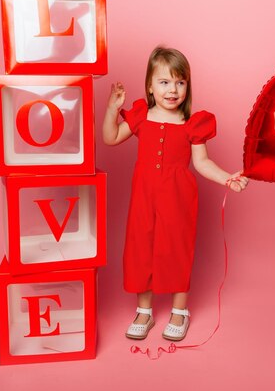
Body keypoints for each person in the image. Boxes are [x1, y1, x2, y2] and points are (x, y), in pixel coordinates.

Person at [103, 46, 248, 342]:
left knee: (177, 248)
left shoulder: (191, 123)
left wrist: (226, 178)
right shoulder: (141, 115)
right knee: (140, 247)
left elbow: (202, 162)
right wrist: (110, 110)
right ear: (150, 87)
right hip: (144, 195)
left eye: (180, 83)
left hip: (178, 196)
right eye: (165, 82)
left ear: (187, 86)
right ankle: (144, 310)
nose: (173, 90)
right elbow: (111, 137)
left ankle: (179, 311)